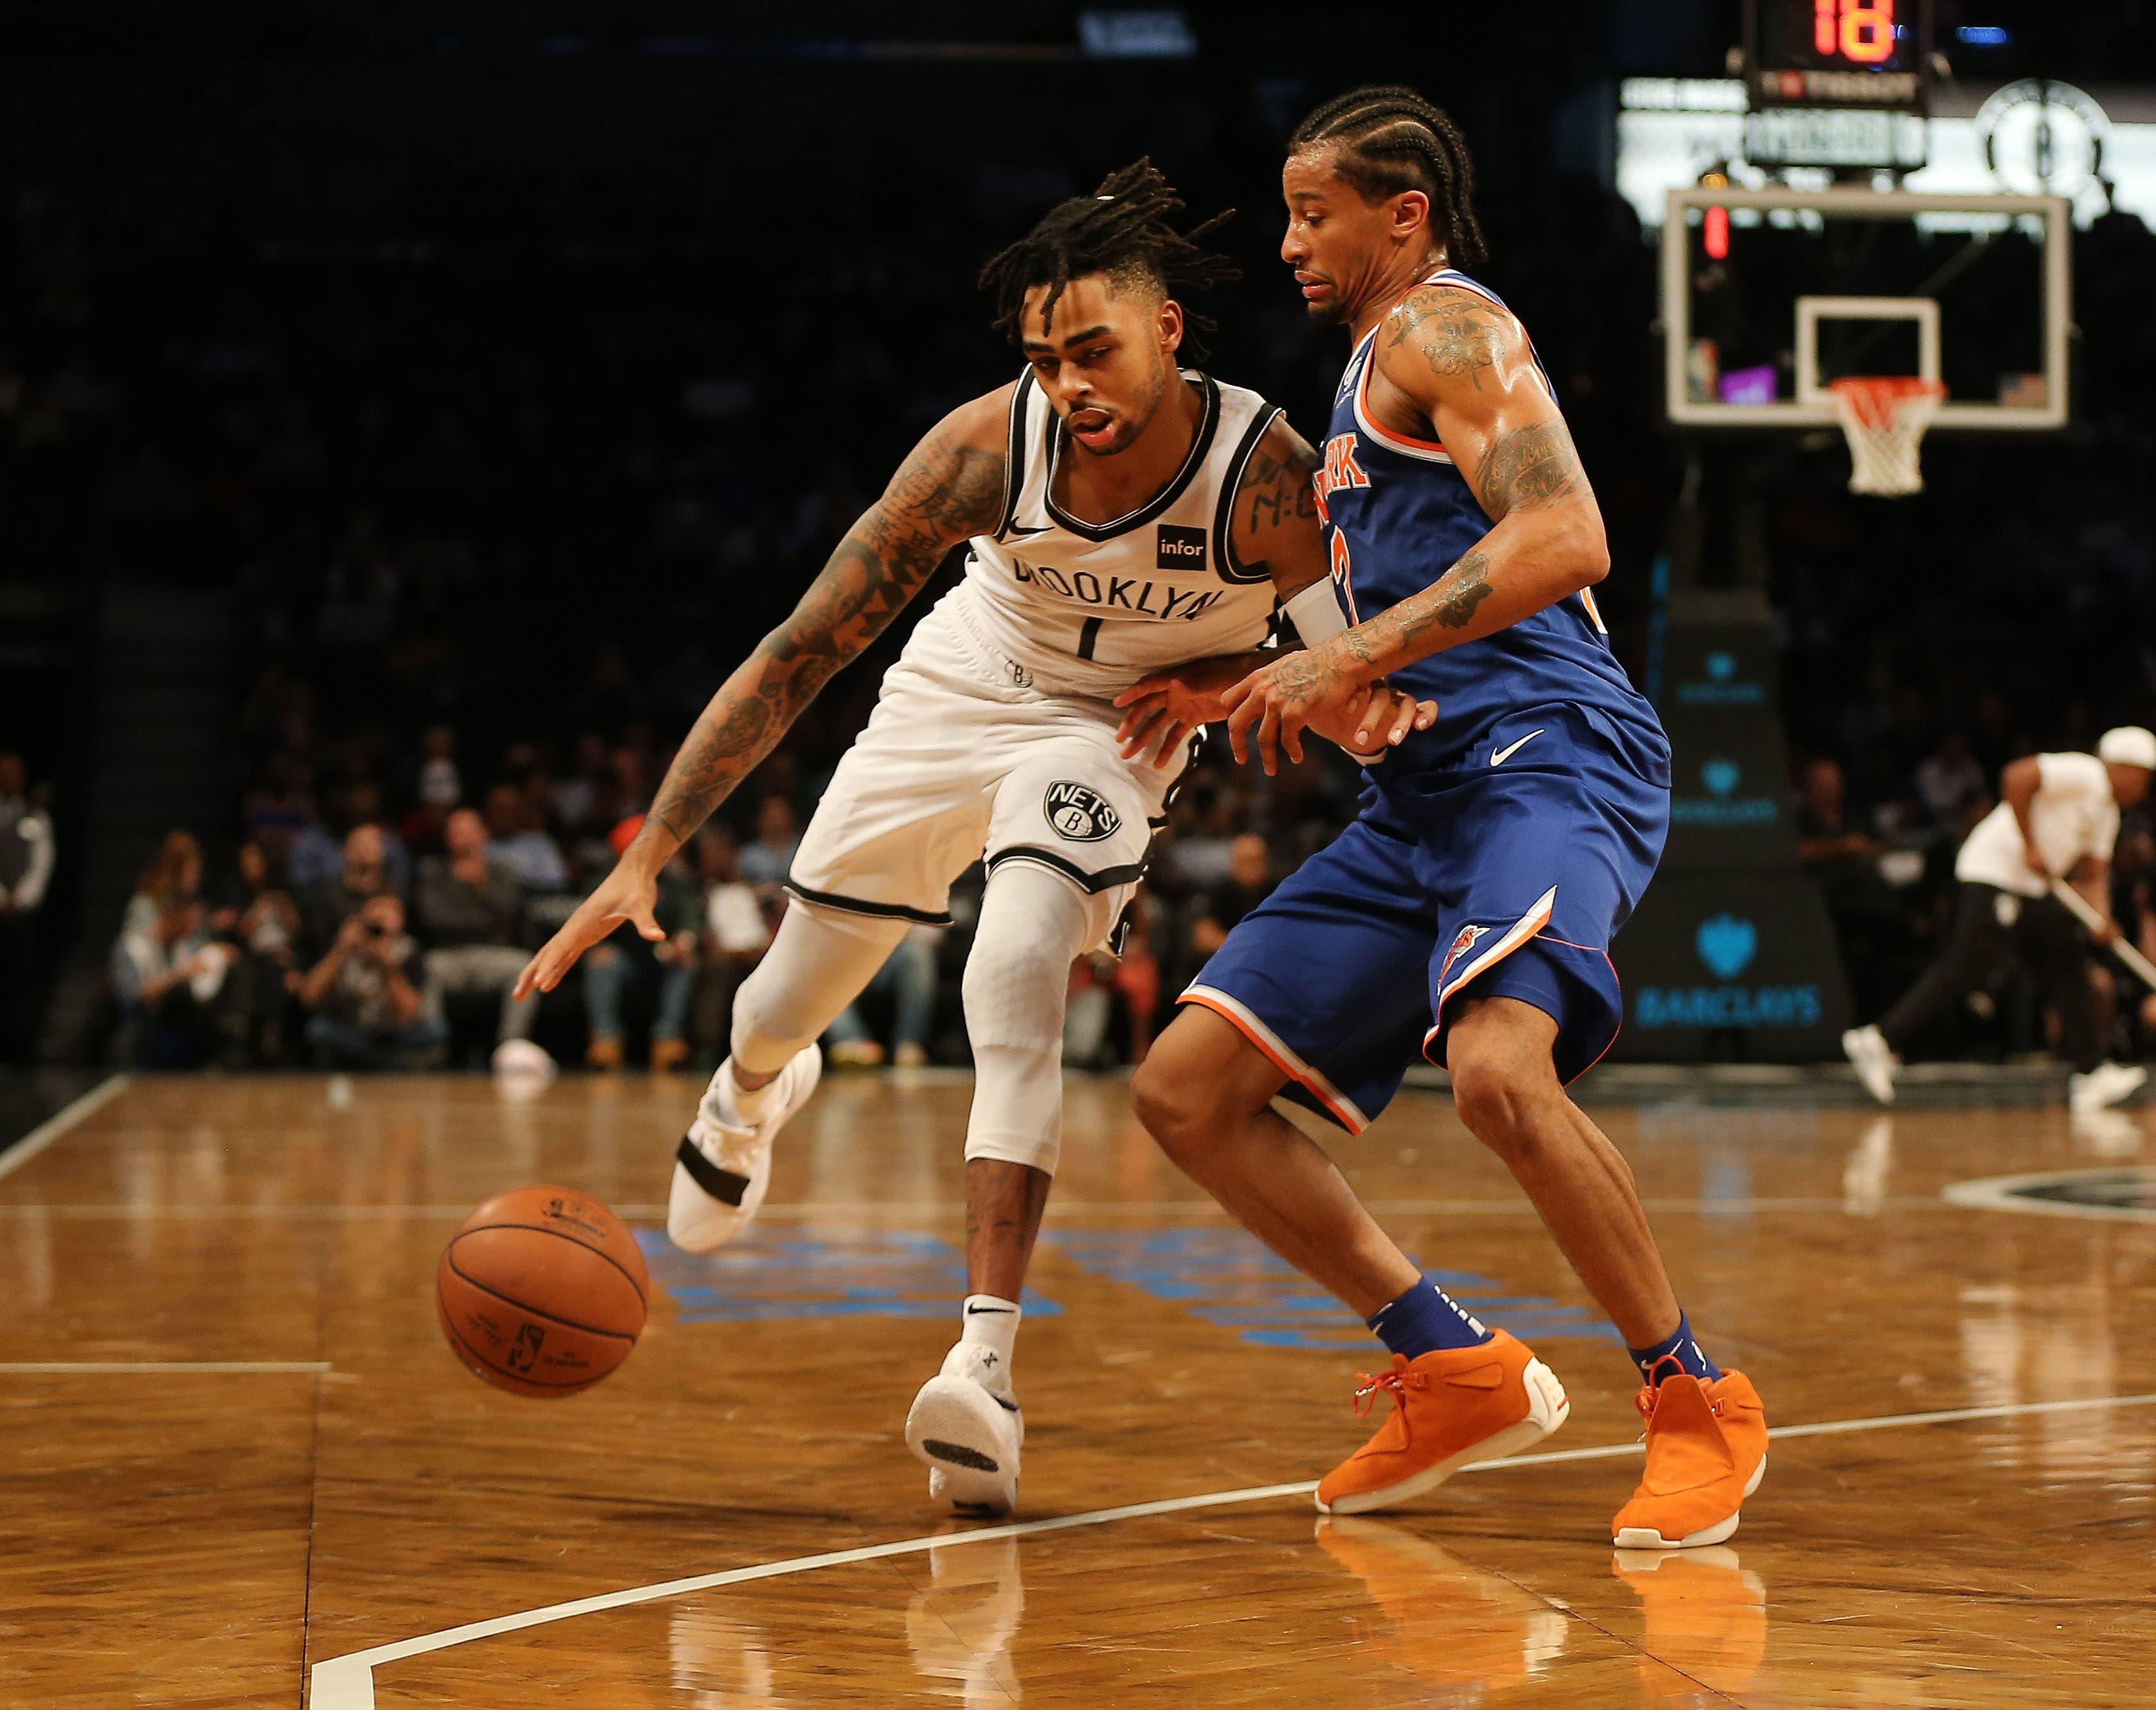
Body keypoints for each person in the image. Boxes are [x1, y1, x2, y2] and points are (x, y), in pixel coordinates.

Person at [516, 161, 1430, 1517]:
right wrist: (648, 852)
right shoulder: (979, 452)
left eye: (1095, 348)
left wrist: (1254, 695)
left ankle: (983, 1371)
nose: (1072, 383)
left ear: (1169, 328)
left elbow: (1331, 671)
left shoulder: (1267, 480)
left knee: (1009, 973)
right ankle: (753, 1088)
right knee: (780, 1000)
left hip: (1104, 733)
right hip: (959, 687)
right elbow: (795, 655)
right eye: (1047, 358)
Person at [1120, 88, 1766, 1551]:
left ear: (1398, 214)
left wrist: (1347, 649)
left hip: (1546, 750)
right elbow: (1387, 619)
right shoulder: (1356, 387)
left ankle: (1691, 1397)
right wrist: (1238, 681)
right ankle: (1449, 1357)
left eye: (1310, 212)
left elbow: (1565, 535)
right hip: (1416, 790)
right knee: (1185, 1091)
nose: (1286, 242)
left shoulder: (1444, 328)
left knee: (1492, 1069)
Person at [1843, 727, 2156, 1112]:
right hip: (1997, 873)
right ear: (2126, 768)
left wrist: (2102, 919)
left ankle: (2092, 1073)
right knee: (1970, 965)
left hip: (2035, 890)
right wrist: (2030, 845)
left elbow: (2092, 873)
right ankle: (1878, 1040)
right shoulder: (2085, 772)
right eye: (2145, 776)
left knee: (2067, 966)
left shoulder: (2107, 813)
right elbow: (2018, 776)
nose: (2145, 788)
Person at [412, 806, 548, 1073]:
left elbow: (509, 915)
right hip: (449, 955)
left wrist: (480, 887)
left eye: (468, 831)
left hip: (493, 954)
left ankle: (511, 1047)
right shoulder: (433, 873)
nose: (461, 838)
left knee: (523, 966)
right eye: (455, 832)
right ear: (447, 838)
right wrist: (477, 919)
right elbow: (433, 919)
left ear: (483, 836)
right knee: (428, 968)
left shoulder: (501, 873)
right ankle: (432, 1047)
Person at [297, 892, 443, 1070]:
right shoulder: (349, 951)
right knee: (318, 1030)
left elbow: (408, 1015)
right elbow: (309, 997)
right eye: (372, 925)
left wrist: (388, 968)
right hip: (359, 1033)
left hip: (399, 1034)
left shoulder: (408, 952)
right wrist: (340, 950)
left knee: (436, 1032)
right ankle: (389, 1063)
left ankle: (381, 1062)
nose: (377, 933)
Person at [0, 754, 55, 1063]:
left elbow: (41, 864)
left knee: (21, 983)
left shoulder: (35, 816)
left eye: (14, 773)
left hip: (22, 916)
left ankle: (19, 1050)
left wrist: (18, 900)